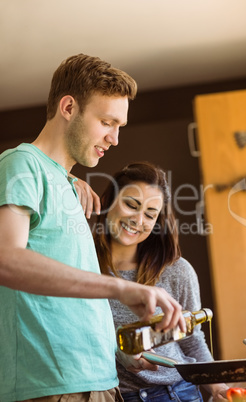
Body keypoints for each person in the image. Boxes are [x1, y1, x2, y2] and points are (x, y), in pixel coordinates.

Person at [0, 55, 186, 402]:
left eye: (120, 126)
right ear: (68, 107)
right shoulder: (21, 164)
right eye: (106, 121)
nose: (115, 139)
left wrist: (119, 354)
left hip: (98, 380)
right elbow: (6, 259)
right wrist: (120, 289)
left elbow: (66, 298)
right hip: (55, 385)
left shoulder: (67, 184)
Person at [93, 161, 232, 402]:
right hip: (110, 396)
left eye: (149, 214)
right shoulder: (81, 269)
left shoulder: (177, 271)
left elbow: (192, 340)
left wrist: (219, 389)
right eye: (130, 205)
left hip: (176, 394)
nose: (138, 219)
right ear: (108, 200)